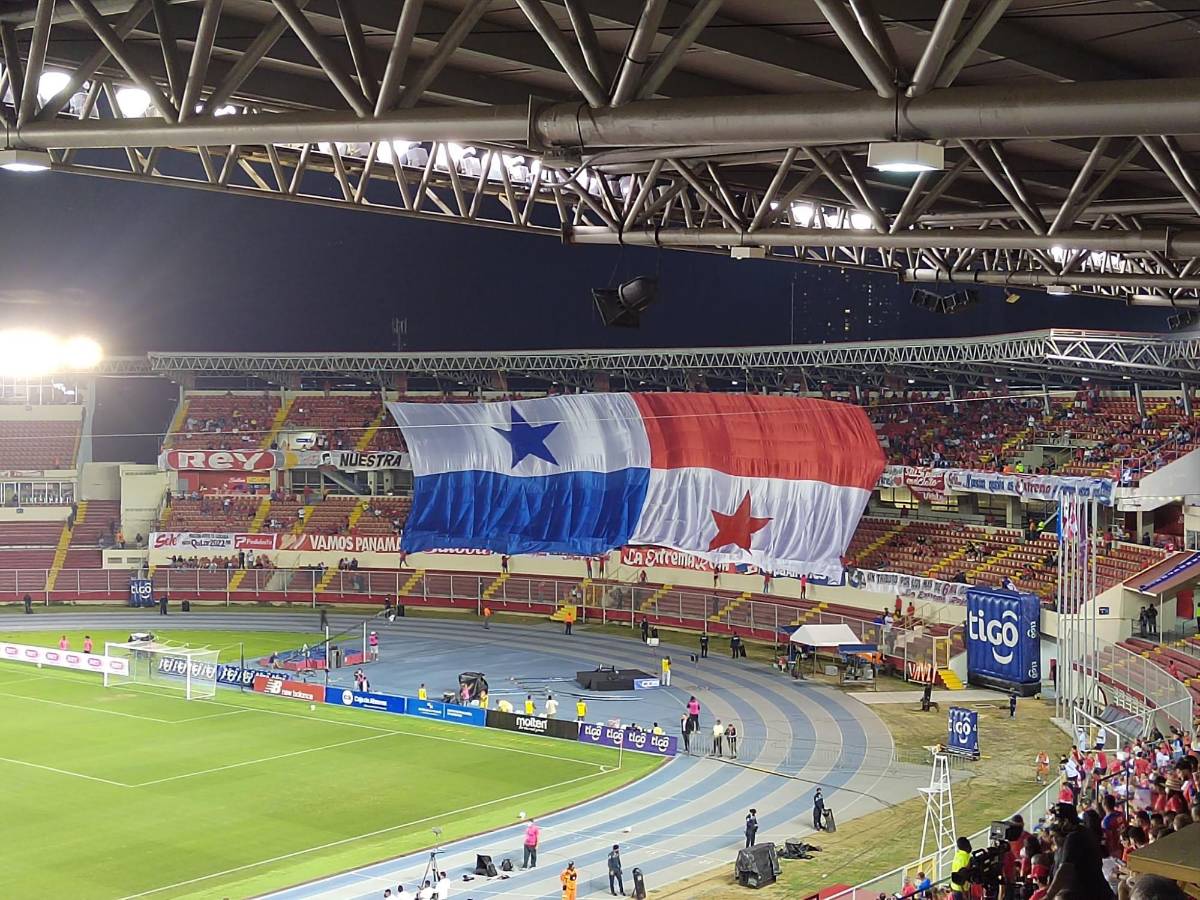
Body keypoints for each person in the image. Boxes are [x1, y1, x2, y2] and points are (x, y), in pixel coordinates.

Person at [949, 836, 972, 900]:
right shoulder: (963, 859)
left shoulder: (958, 854)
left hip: (956, 888)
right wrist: (964, 894)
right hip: (960, 890)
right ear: (966, 846)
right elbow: (959, 878)